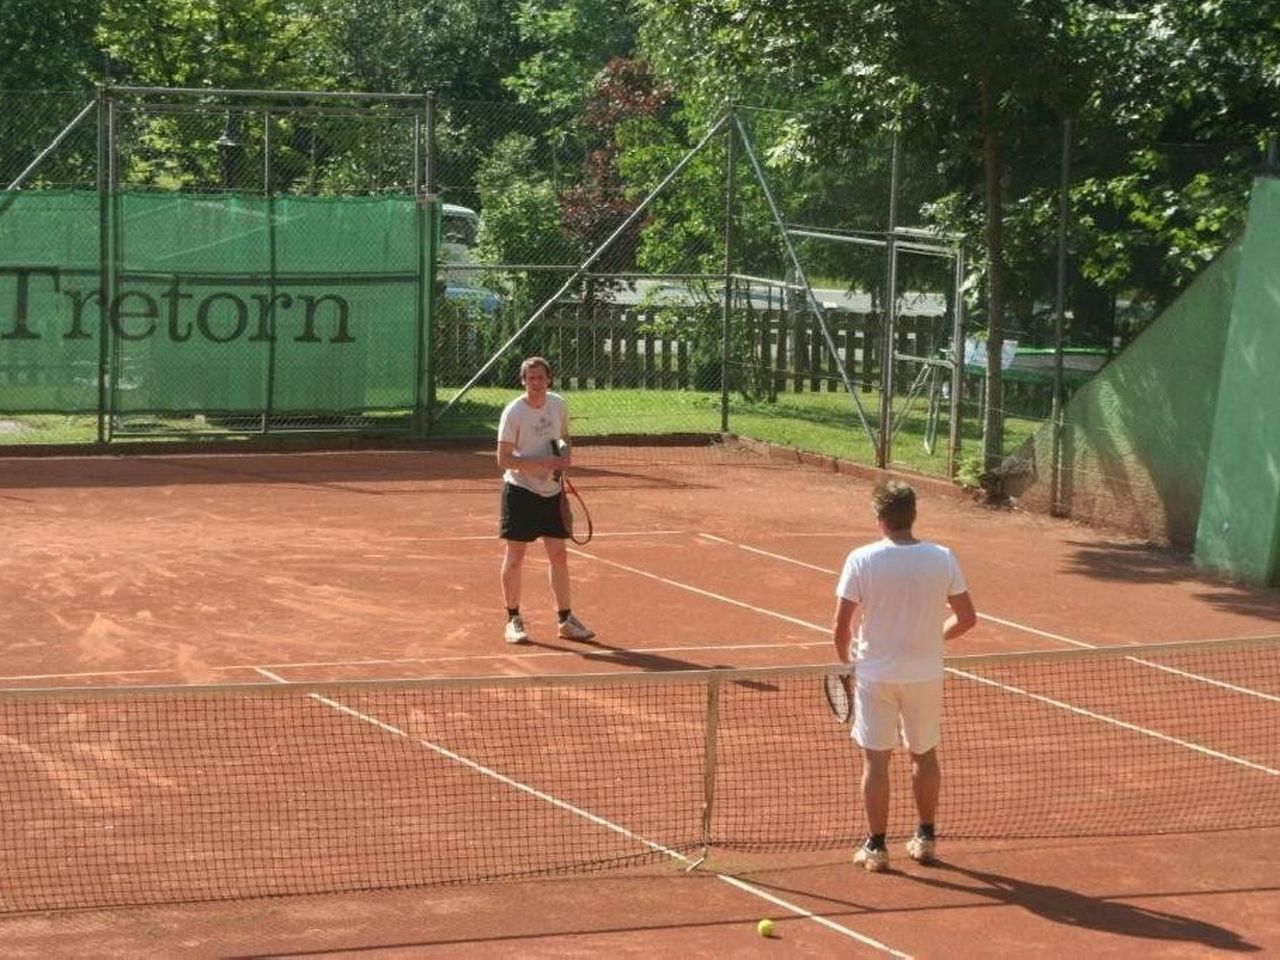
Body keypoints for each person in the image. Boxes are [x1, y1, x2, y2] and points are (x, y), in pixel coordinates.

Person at [832, 479, 976, 872]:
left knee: (875, 763)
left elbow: (841, 628)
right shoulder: (942, 557)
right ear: (913, 515)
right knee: (924, 755)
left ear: (879, 520)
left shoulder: (861, 559)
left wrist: (847, 665)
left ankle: (876, 848)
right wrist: (934, 638)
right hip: (925, 674)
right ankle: (926, 838)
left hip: (875, 675)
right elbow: (967, 619)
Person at [496, 356, 595, 645]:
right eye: (531, 379)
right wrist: (540, 462)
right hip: (520, 492)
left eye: (541, 378)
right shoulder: (513, 412)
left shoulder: (558, 404)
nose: (536, 383)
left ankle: (566, 620)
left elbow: (564, 438)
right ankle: (513, 620)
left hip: (552, 491)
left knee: (559, 555)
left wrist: (563, 458)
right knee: (516, 557)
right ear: (523, 381)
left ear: (549, 379)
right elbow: (503, 459)